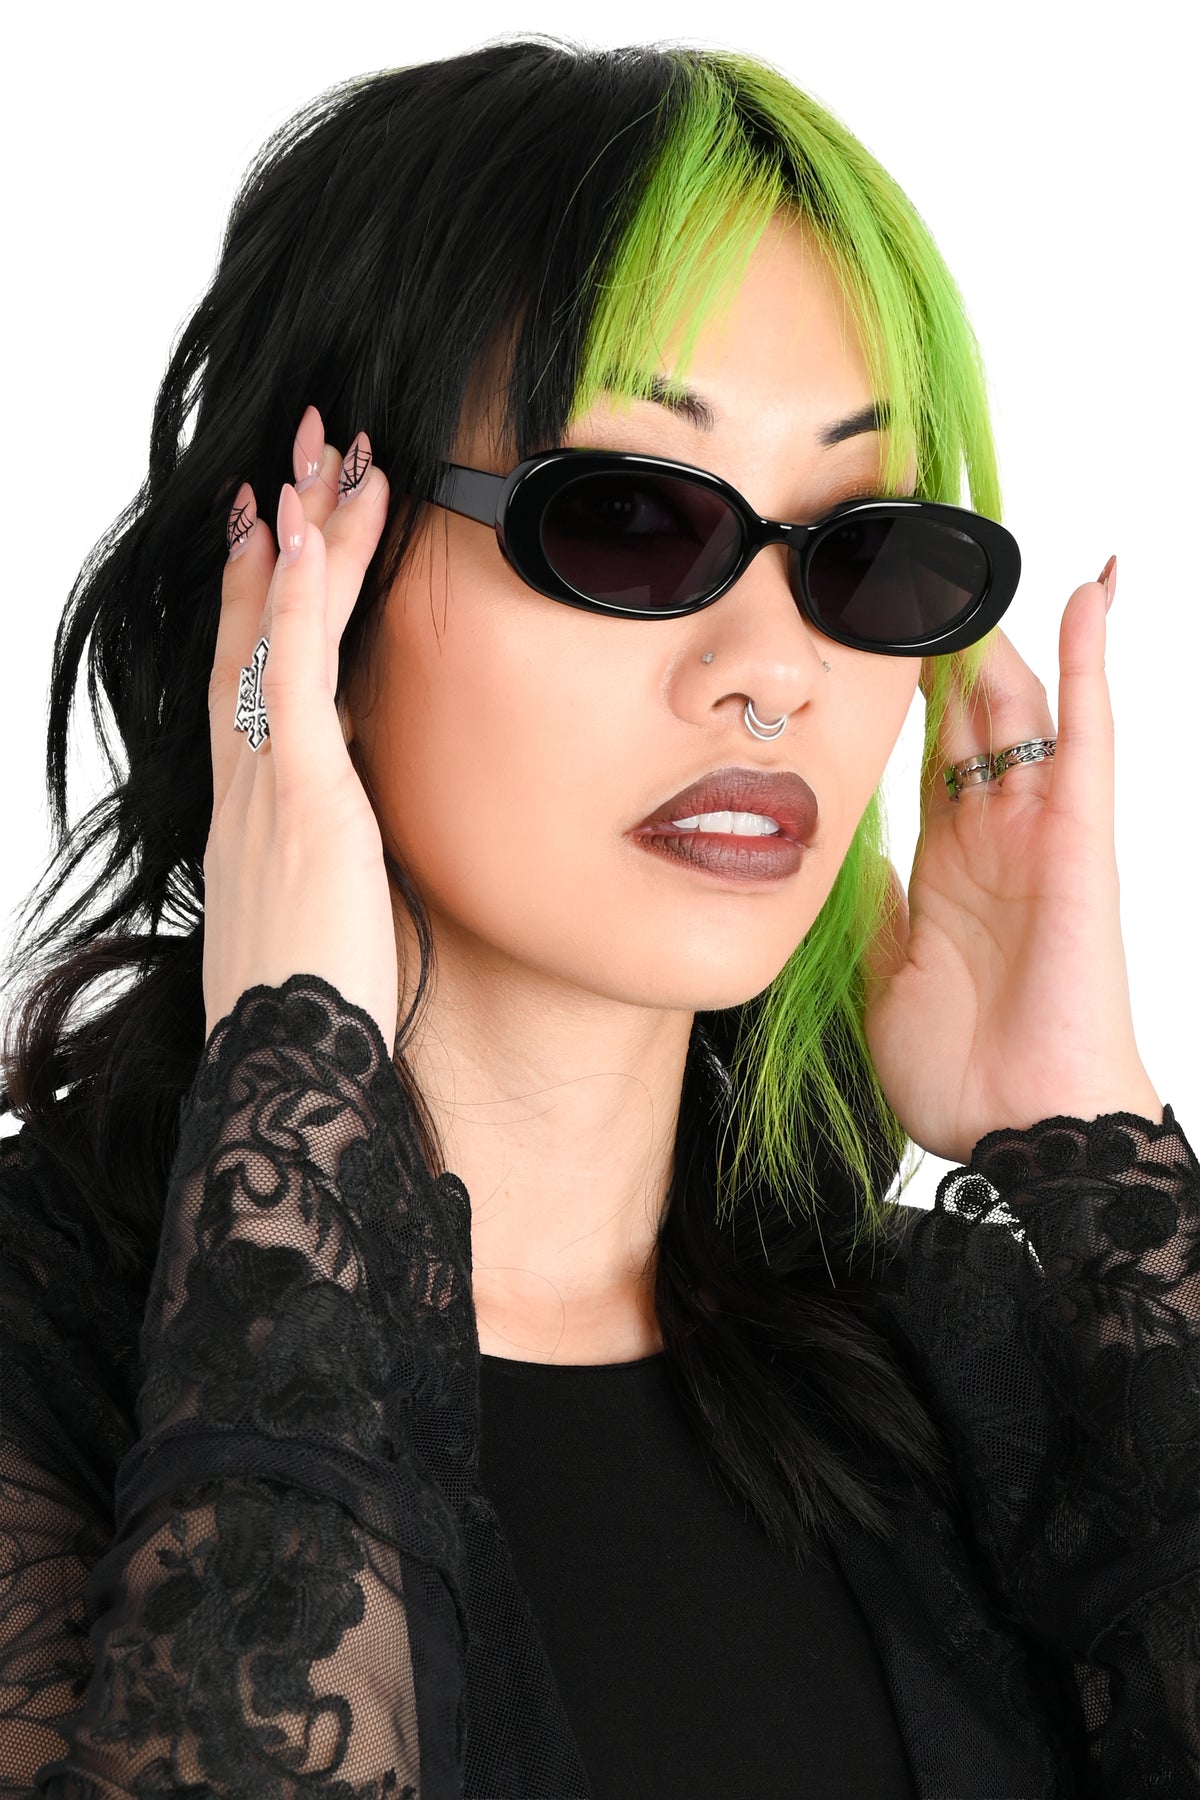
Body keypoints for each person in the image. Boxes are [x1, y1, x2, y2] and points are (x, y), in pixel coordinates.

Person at [0, 35, 1195, 1799]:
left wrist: (1083, 1136)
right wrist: (297, 1066)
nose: (775, 670)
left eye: (860, 546)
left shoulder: (966, 1356)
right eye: (629, 521)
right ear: (310, 580)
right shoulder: (45, 1353)